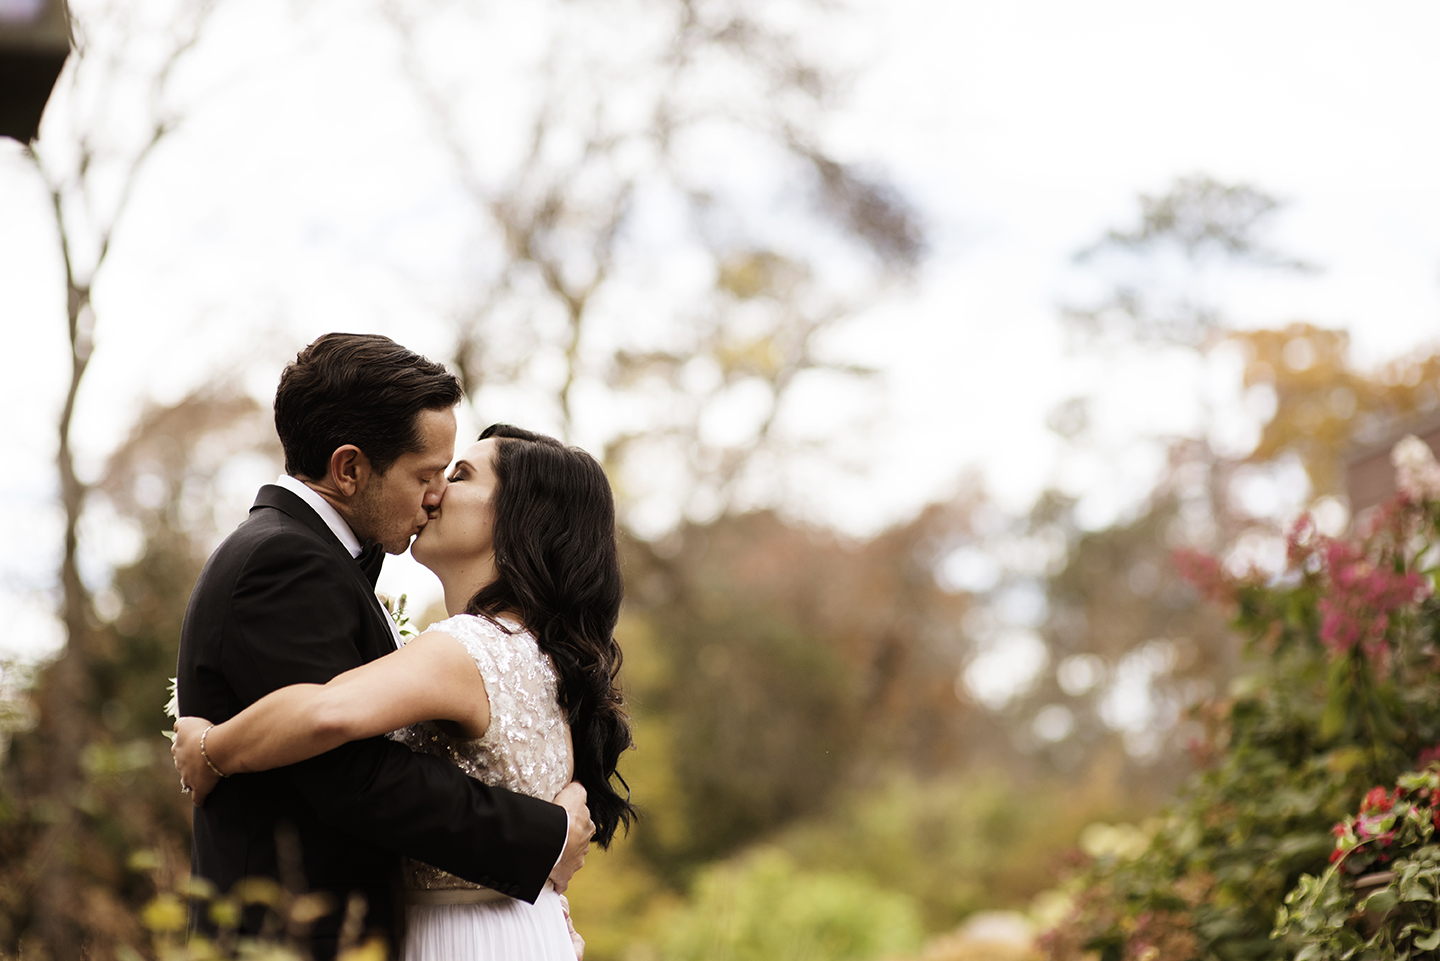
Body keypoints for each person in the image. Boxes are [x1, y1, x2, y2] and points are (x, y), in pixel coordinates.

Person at [174, 335, 594, 961]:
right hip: (289, 936)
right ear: (348, 469)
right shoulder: (284, 561)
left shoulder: (315, 562)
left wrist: (213, 746)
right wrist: (541, 834)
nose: (436, 496)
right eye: (427, 475)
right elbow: (348, 774)